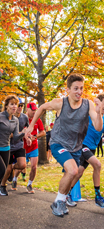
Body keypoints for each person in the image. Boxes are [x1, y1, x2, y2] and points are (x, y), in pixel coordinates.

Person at [25, 73, 103, 217]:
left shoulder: (88, 105)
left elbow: (98, 128)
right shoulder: (60, 103)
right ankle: (58, 201)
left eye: (81, 88)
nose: (79, 92)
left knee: (73, 174)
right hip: (58, 143)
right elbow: (41, 107)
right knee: (73, 170)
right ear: (68, 90)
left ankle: (61, 200)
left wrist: (98, 113)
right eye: (75, 88)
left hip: (76, 146)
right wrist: (31, 125)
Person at [0, 95, 27, 205]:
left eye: (16, 104)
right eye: (12, 104)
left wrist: (24, 133)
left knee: (3, 173)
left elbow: (16, 136)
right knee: (2, 169)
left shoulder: (15, 120)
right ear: (6, 105)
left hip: (6, 148)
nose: (14, 106)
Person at [66, 93, 104, 208]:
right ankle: (97, 196)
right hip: (82, 145)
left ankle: (66, 195)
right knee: (97, 165)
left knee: (79, 173)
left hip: (91, 148)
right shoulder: (90, 114)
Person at [0, 98, 29, 195]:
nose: (19, 107)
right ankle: (2, 186)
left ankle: (11, 170)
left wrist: (28, 137)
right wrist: (21, 133)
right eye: (17, 105)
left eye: (21, 105)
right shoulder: (7, 118)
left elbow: (27, 130)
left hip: (19, 145)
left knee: (23, 165)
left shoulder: (24, 117)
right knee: (8, 169)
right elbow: (6, 134)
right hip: (7, 146)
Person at [24, 102, 45, 194]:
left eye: (35, 110)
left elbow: (43, 132)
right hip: (23, 147)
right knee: (21, 167)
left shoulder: (37, 119)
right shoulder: (22, 119)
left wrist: (35, 136)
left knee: (33, 167)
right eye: (32, 110)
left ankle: (29, 184)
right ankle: (15, 178)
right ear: (27, 109)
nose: (34, 112)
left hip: (33, 147)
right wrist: (27, 137)